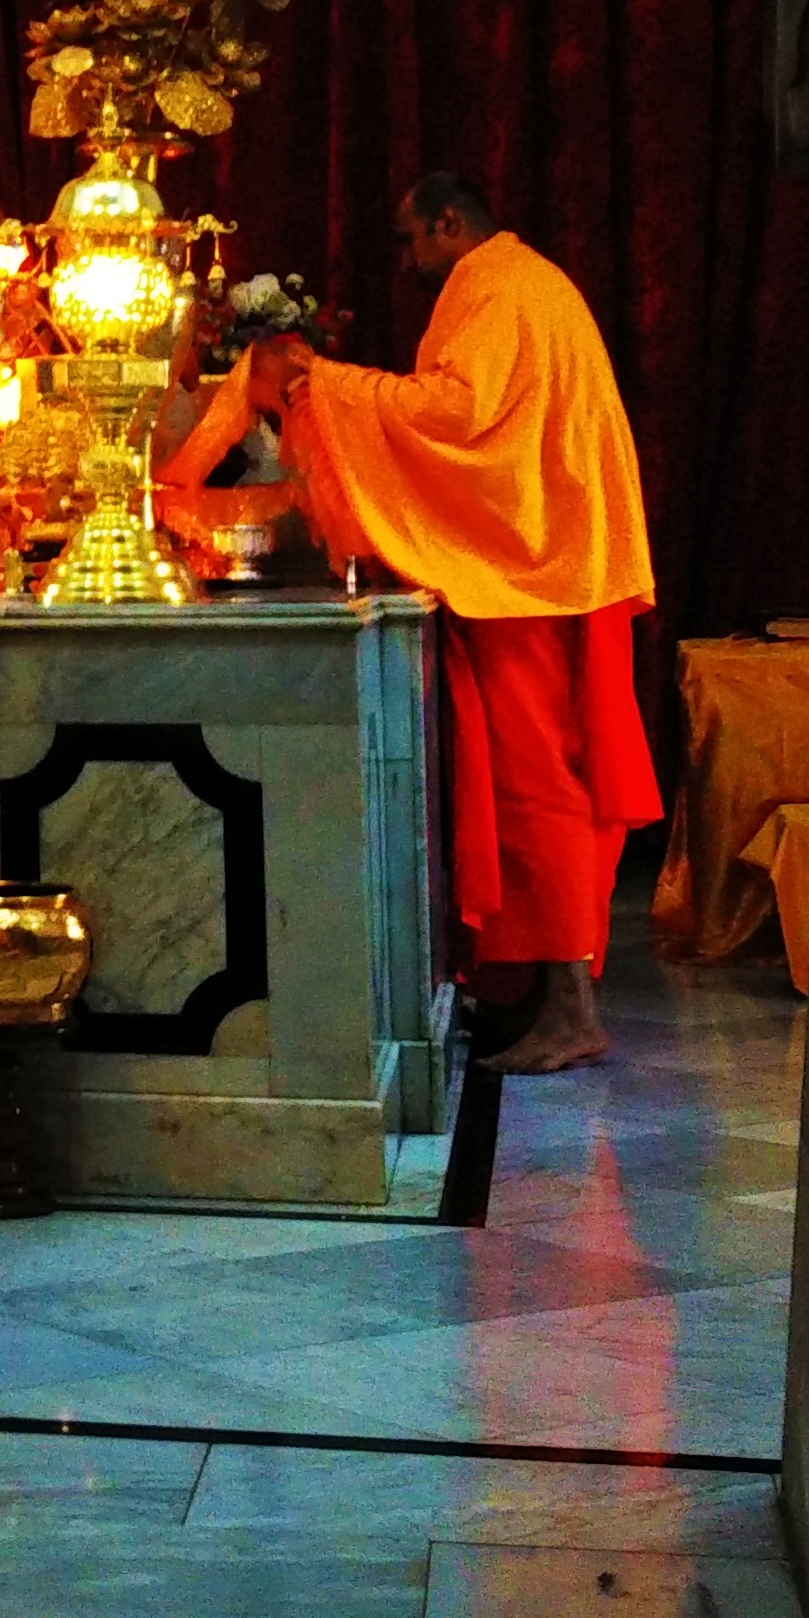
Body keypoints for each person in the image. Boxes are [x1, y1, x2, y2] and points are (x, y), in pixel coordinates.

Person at [245, 174, 662, 1075]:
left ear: (449, 223)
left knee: (538, 785)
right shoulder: (517, 281)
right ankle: (539, 992)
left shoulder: (499, 285)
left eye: (411, 240)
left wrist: (325, 383)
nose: (405, 261)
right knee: (538, 780)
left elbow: (458, 415)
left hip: (529, 572)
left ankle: (572, 1009)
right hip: (547, 559)